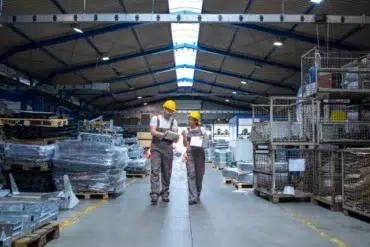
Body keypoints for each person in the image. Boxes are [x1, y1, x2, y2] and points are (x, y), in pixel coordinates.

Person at [149, 100, 179, 205]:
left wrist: (176, 138)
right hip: (156, 147)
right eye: (169, 110)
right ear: (164, 109)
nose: (170, 113)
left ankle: (165, 193)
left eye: (172, 111)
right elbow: (152, 132)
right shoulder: (155, 119)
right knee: (155, 170)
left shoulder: (174, 121)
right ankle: (154, 194)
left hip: (168, 148)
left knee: (167, 171)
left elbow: (175, 136)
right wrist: (163, 134)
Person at [182, 111, 207, 205]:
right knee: (191, 174)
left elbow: (205, 143)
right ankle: (193, 197)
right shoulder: (187, 131)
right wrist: (184, 137)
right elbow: (185, 144)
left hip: (200, 154)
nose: (190, 121)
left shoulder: (202, 130)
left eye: (191, 119)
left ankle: (197, 194)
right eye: (189, 119)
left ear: (196, 121)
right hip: (190, 154)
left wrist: (201, 141)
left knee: (199, 176)